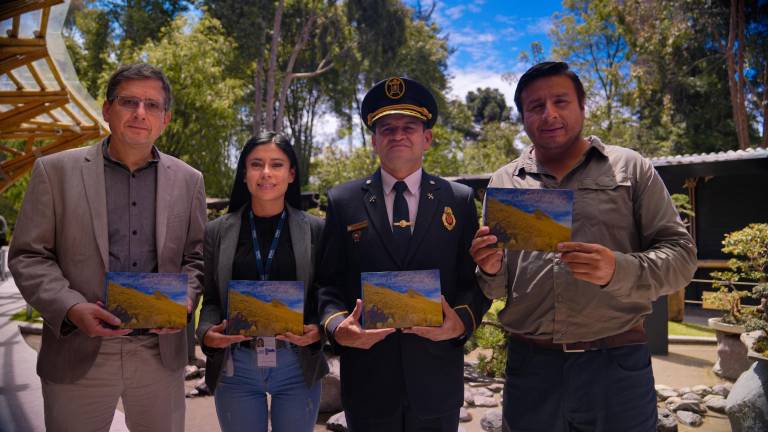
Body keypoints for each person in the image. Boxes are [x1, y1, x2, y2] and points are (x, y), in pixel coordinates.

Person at [470, 61, 698, 432]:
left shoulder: (630, 169)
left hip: (615, 366)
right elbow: (497, 287)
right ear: (523, 117)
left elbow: (683, 258)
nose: (550, 114)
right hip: (531, 369)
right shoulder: (505, 181)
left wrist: (617, 269)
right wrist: (490, 268)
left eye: (561, 101)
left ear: (582, 107)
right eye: (536, 106)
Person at [9, 63, 205, 432]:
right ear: (107, 109)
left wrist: (187, 299)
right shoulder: (54, 172)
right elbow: (29, 255)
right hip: (78, 349)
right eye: (129, 101)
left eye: (152, 105)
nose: (140, 113)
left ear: (166, 118)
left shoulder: (189, 181)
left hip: (158, 356)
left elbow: (196, 257)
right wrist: (70, 307)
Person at [316, 76, 491, 431]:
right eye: (387, 128)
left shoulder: (457, 200)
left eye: (409, 126)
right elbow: (326, 284)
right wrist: (337, 327)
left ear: (426, 138)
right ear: (374, 141)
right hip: (368, 381)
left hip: (436, 379)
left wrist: (461, 321)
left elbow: (473, 278)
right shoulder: (343, 201)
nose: (398, 134)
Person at [197, 132, 329, 432]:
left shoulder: (315, 231)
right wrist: (206, 333)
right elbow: (212, 299)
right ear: (244, 173)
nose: (266, 173)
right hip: (237, 365)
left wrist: (320, 329)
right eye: (256, 164)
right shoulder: (217, 231)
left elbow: (326, 293)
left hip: (296, 365)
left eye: (277, 165)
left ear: (291, 174)